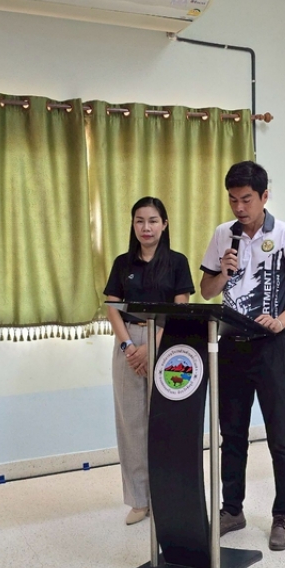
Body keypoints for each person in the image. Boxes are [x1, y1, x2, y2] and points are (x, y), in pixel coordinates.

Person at [200, 161, 285, 551]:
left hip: (269, 348)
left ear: (265, 196)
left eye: (247, 199)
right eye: (233, 199)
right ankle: (232, 509)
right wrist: (222, 272)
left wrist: (282, 320)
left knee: (279, 433)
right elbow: (206, 290)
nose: (239, 207)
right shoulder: (223, 234)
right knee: (232, 434)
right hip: (230, 346)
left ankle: (283, 515)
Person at [104, 197, 195, 525]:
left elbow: (181, 308)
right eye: (140, 221)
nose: (146, 227)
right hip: (128, 342)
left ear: (164, 224)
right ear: (133, 225)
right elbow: (112, 307)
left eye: (153, 220)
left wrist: (152, 347)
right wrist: (129, 346)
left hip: (166, 342)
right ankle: (139, 500)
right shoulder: (122, 263)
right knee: (131, 424)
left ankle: (167, 496)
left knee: (166, 423)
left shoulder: (177, 262)